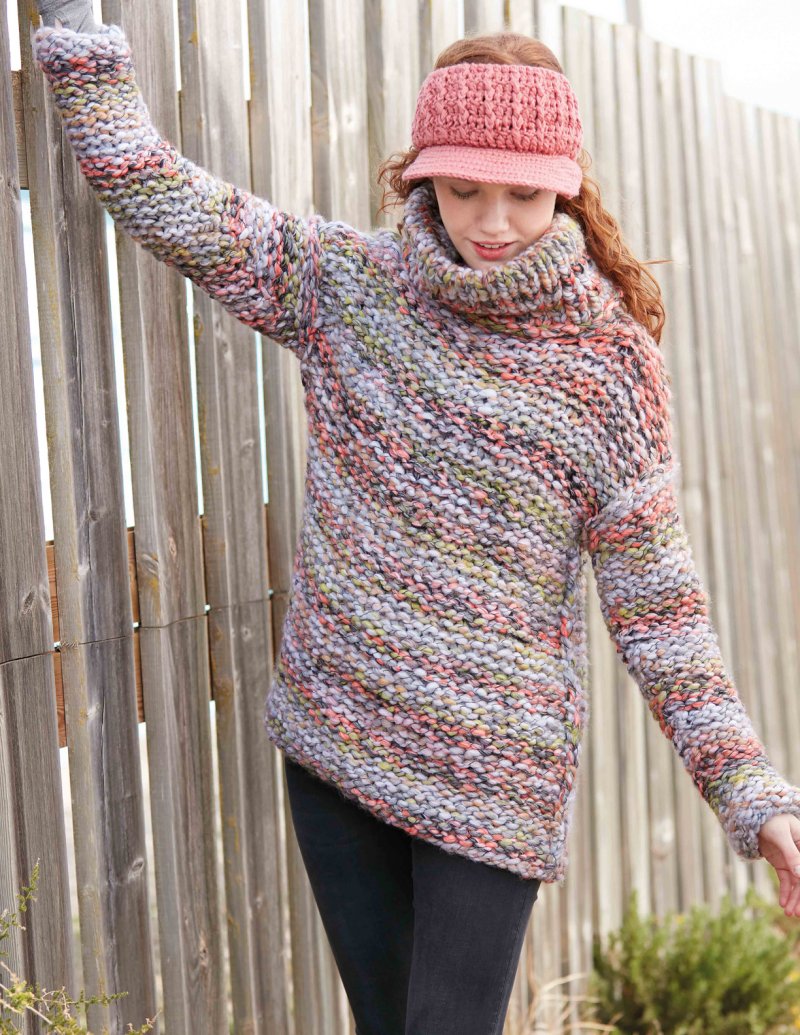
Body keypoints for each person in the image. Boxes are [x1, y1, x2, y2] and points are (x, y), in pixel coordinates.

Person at [32, 5, 800, 1034]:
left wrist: (751, 793)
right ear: (420, 175)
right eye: (462, 188)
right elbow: (157, 189)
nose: (492, 221)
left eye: (522, 193)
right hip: (339, 737)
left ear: (567, 187)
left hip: (493, 773)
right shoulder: (345, 288)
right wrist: (78, 30)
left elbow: (661, 613)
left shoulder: (607, 368)